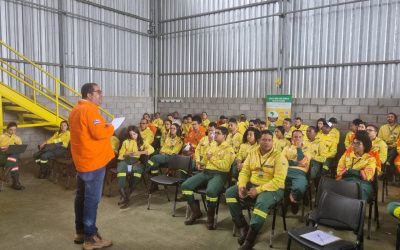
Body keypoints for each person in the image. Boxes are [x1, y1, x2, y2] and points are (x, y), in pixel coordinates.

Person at [69, 83, 114, 249]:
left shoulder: (75, 110)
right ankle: (90, 238)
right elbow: (99, 132)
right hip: (93, 162)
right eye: (98, 92)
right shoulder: (89, 110)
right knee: (91, 200)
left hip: (82, 161)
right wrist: (111, 127)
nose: (101, 95)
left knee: (81, 197)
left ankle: (80, 232)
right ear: (89, 94)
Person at [225, 130, 288, 250]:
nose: (267, 142)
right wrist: (242, 185)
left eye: (270, 140)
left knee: (261, 203)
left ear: (273, 142)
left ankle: (249, 239)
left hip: (273, 188)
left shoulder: (279, 156)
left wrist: (258, 190)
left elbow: (279, 181)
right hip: (252, 184)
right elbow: (245, 171)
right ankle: (243, 227)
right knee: (229, 193)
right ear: (259, 141)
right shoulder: (253, 153)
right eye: (264, 140)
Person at [182, 127, 235, 229]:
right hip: (206, 172)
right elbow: (206, 159)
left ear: (224, 136)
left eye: (218, 133)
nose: (214, 135)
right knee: (185, 186)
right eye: (214, 133)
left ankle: (210, 217)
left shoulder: (229, 149)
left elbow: (225, 166)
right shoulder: (212, 145)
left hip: (219, 175)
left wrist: (212, 158)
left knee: (211, 192)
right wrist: (200, 163)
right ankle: (196, 212)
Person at [116, 126, 154, 208]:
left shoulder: (142, 142)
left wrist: (141, 152)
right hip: (126, 161)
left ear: (138, 133)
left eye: (134, 134)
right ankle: (124, 196)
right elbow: (120, 154)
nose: (133, 136)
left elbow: (152, 149)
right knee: (121, 170)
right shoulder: (126, 142)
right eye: (131, 134)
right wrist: (127, 154)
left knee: (137, 172)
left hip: (137, 162)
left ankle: (128, 195)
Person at [336, 131, 376, 201]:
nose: (354, 145)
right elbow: (339, 171)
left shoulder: (370, 159)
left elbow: (366, 176)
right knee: (338, 191)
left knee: (354, 192)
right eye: (354, 143)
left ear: (365, 145)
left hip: (363, 184)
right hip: (346, 180)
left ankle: (356, 209)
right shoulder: (347, 155)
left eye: (358, 143)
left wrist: (348, 170)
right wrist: (358, 171)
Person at [282, 130, 312, 214]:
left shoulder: (307, 149)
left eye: (300, 137)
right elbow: (282, 161)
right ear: (292, 139)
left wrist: (298, 148)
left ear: (303, 138)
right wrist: (295, 163)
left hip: (300, 172)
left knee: (299, 187)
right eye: (295, 137)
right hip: (286, 170)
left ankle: (294, 201)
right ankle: (285, 201)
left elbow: (302, 162)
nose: (297, 139)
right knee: (277, 184)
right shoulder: (286, 148)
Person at [0, 122, 24, 190]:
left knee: (15, 153)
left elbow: (20, 148)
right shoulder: (1, 136)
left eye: (14, 130)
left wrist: (11, 148)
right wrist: (3, 148)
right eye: (11, 129)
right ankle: (16, 183)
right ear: (7, 129)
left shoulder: (17, 138)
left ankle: (4, 175)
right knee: (14, 162)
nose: (13, 131)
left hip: (11, 157)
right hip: (2, 156)